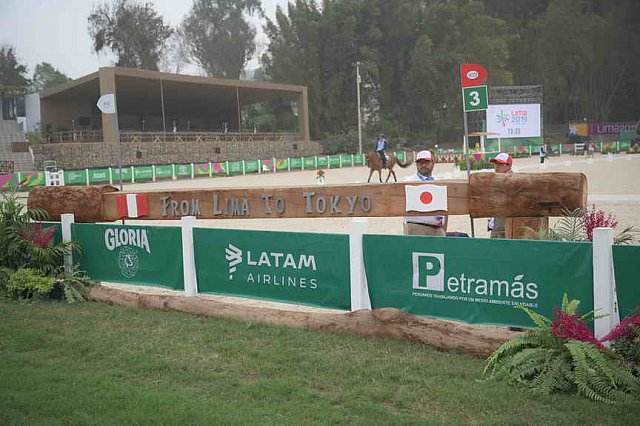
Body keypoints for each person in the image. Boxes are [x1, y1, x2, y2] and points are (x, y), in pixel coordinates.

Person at [403, 150, 447, 236]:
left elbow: (445, 208)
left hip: (437, 227)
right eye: (420, 163)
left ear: (432, 163)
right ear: (416, 165)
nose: (423, 165)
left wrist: (444, 227)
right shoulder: (408, 182)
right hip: (416, 226)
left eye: (426, 162)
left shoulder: (439, 182)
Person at [487, 153, 513, 239]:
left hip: (504, 226)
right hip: (497, 225)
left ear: (508, 165)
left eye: (500, 164)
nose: (497, 166)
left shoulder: (512, 180)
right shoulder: (497, 179)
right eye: (496, 163)